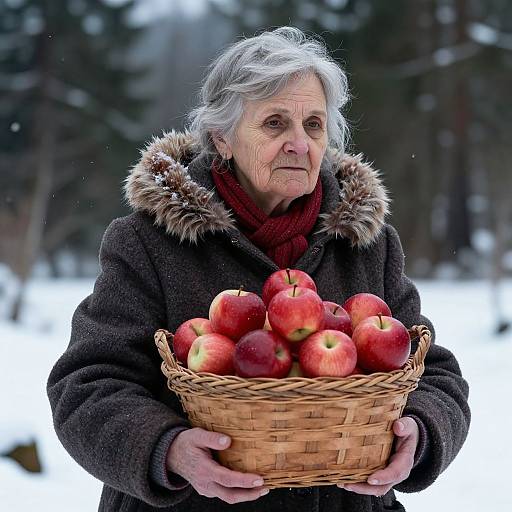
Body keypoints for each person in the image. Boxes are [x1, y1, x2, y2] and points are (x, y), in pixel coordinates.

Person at [47, 27, 470, 512]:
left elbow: (433, 372)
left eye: (313, 124)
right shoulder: (148, 242)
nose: (298, 143)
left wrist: (418, 433)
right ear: (221, 139)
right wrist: (168, 450)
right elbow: (87, 384)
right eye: (274, 123)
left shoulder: (366, 244)